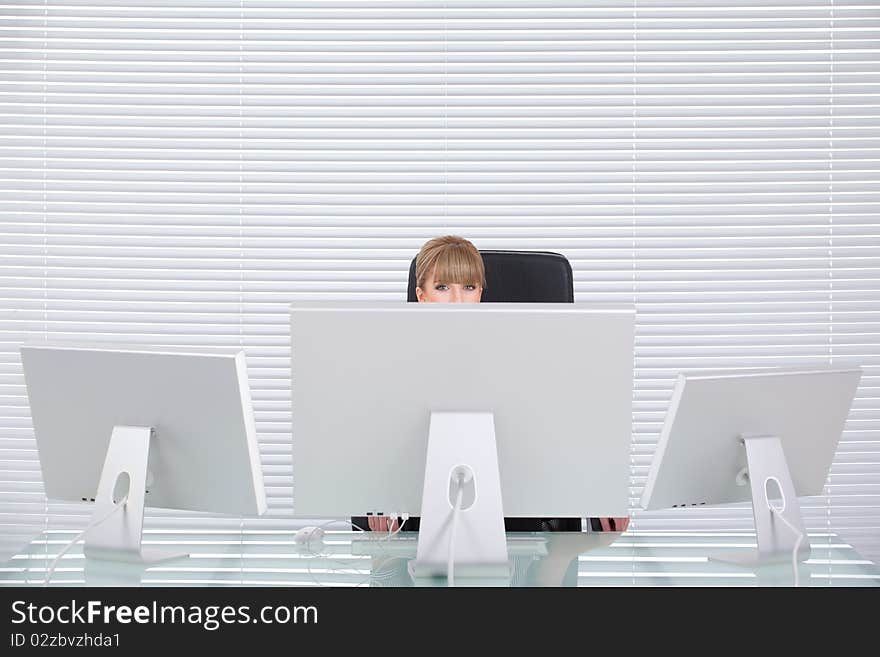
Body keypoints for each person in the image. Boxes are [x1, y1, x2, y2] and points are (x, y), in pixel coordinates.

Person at [365, 235, 629, 535]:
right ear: (421, 295)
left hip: (520, 528)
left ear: (480, 293)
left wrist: (601, 495)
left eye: (468, 287)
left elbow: (564, 438)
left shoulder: (526, 360)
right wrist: (380, 509)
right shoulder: (395, 367)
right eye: (442, 287)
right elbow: (379, 457)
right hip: (426, 525)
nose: (457, 300)